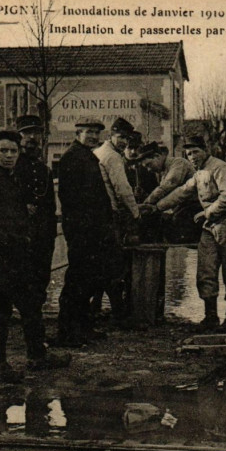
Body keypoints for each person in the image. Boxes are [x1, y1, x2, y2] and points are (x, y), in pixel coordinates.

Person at [0, 130, 71, 383]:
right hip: (1, 259)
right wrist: (10, 243)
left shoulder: (10, 178)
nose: (9, 156)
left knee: (30, 306)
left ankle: (37, 356)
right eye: (3, 151)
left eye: (13, 151)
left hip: (17, 257)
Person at [150, 136, 226, 333]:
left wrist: (206, 213)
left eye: (195, 152)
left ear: (206, 149)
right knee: (206, 271)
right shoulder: (199, 173)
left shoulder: (221, 168)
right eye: (188, 154)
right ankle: (210, 317)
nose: (192, 157)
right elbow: (182, 192)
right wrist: (155, 207)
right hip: (211, 225)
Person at [57, 118, 115, 346]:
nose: (93, 137)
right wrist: (82, 229)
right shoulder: (73, 158)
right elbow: (71, 199)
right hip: (82, 231)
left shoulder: (87, 156)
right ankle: (68, 332)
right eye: (89, 132)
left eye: (97, 133)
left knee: (87, 281)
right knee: (77, 282)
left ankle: (83, 327)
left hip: (92, 231)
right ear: (78, 133)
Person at [94, 117, 139, 322]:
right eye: (120, 137)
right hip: (110, 215)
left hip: (99, 214)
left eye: (126, 138)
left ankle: (95, 308)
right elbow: (122, 189)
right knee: (114, 265)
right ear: (111, 135)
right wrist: (136, 213)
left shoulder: (99, 152)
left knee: (101, 264)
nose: (123, 142)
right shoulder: (112, 157)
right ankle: (119, 314)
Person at [13, 115, 57, 314]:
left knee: (40, 283)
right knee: (20, 284)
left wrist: (49, 236)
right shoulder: (13, 166)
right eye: (27, 133)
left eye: (36, 132)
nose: (32, 137)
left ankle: (35, 331)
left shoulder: (43, 169)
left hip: (42, 237)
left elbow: (49, 206)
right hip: (20, 237)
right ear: (19, 136)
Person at [140, 141, 201, 244]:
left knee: (175, 227)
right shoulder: (164, 171)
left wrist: (147, 203)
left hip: (194, 206)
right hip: (183, 206)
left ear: (157, 156)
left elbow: (167, 186)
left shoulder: (178, 163)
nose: (149, 169)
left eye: (149, 165)